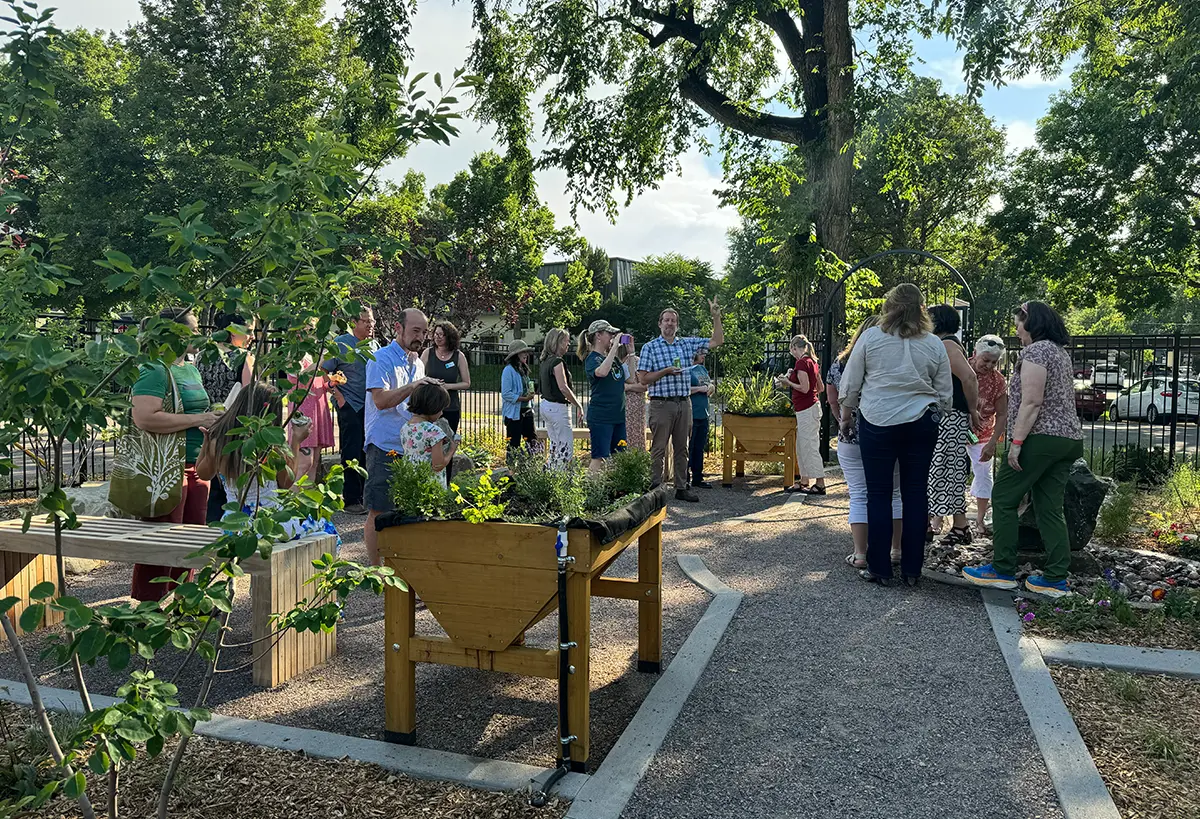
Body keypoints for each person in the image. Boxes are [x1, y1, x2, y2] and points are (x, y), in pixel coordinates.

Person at [963, 302, 1083, 598]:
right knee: (1049, 508)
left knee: (1003, 497)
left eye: (1019, 322)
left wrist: (1016, 444)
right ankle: (1056, 577)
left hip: (1039, 438)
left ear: (1032, 323)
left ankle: (1001, 570)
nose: (1016, 328)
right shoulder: (1059, 353)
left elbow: (1032, 401)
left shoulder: (1036, 352)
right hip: (1067, 439)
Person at [837, 284, 952, 586]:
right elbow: (944, 390)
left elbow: (851, 381)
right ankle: (912, 568)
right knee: (915, 492)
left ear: (889, 306)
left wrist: (847, 416)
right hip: (920, 421)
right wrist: (935, 412)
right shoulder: (933, 343)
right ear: (921, 308)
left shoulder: (871, 338)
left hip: (878, 420)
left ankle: (879, 568)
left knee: (879, 494)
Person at [129, 308, 222, 601]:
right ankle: (148, 606)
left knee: (192, 540)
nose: (199, 335)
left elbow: (193, 410)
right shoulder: (154, 369)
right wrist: (197, 420)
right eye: (193, 330)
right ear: (173, 333)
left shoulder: (190, 368)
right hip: (166, 468)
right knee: (161, 540)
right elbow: (144, 418)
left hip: (198, 464)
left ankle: (185, 599)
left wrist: (213, 417)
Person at [195, 381, 339, 545]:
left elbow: (203, 473)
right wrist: (296, 442)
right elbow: (286, 482)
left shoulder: (220, 441)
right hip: (266, 523)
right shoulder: (268, 446)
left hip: (232, 523)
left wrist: (207, 443)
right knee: (327, 531)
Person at [826, 316, 904, 569]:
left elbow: (832, 398)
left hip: (851, 437)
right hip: (888, 433)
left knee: (859, 495)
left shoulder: (840, 363)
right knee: (894, 493)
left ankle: (860, 554)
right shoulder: (891, 361)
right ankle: (895, 550)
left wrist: (842, 420)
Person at [364, 308, 437, 565]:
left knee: (407, 511)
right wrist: (413, 386)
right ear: (398, 328)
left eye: (424, 332)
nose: (421, 336)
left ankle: (400, 568)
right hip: (384, 444)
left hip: (412, 448)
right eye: (415, 330)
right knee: (379, 509)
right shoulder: (379, 358)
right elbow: (381, 400)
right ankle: (375, 571)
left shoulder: (417, 363)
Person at [637, 300, 724, 502]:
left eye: (673, 321)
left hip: (684, 402)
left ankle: (681, 486)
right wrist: (666, 371)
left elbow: (717, 341)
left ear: (677, 325)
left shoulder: (686, 344)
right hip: (661, 403)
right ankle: (656, 487)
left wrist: (716, 316)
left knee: (682, 447)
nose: (669, 324)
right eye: (666, 320)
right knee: (659, 447)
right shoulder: (651, 347)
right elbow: (643, 378)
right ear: (660, 324)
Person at [925, 305, 981, 545]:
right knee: (944, 468)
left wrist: (972, 410)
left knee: (941, 468)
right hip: (948, 416)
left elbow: (969, 377)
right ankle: (954, 524)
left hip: (950, 417)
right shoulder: (946, 343)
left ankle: (957, 526)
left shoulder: (947, 345)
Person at [197, 313, 254, 524]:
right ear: (232, 331)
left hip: (207, 424)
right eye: (248, 330)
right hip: (233, 427)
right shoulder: (243, 356)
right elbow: (249, 396)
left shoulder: (202, 355)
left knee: (211, 484)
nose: (252, 336)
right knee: (230, 486)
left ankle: (210, 530)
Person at [321, 306, 377, 515]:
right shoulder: (341, 343)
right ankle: (351, 499)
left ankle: (365, 496)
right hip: (350, 404)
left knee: (367, 450)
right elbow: (324, 371)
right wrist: (339, 397)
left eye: (372, 322)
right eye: (366, 321)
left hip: (370, 407)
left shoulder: (374, 344)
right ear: (355, 322)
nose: (371, 325)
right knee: (351, 450)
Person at [968, 335, 1009, 534]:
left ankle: (980, 518)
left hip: (983, 432)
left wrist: (993, 442)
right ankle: (938, 518)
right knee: (948, 470)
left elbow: (1002, 414)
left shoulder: (998, 381)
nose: (989, 365)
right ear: (975, 354)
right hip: (957, 429)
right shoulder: (962, 369)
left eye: (994, 362)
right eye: (986, 360)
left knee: (984, 473)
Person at [779, 334, 826, 495]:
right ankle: (804, 480)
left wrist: (788, 382)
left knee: (810, 446)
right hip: (810, 407)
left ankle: (820, 483)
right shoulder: (813, 362)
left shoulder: (801, 363)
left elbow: (804, 388)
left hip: (806, 409)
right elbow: (820, 388)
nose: (792, 353)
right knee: (802, 446)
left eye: (792, 349)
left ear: (794, 348)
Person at [579, 319, 626, 472]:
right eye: (610, 334)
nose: (613, 337)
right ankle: (591, 492)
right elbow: (601, 372)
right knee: (599, 457)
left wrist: (630, 353)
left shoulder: (614, 360)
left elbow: (631, 378)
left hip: (617, 416)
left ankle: (616, 491)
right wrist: (614, 349)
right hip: (601, 416)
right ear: (598, 335)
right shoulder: (592, 359)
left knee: (619, 457)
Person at [288, 348, 335, 484]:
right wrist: (320, 360)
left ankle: (307, 502)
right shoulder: (293, 354)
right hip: (304, 413)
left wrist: (331, 384)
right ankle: (293, 501)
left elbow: (317, 383)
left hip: (317, 412)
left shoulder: (310, 355)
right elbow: (300, 378)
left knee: (314, 464)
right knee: (303, 465)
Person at [539, 328, 583, 469]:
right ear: (557, 343)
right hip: (558, 407)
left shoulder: (545, 361)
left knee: (555, 445)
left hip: (546, 405)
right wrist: (578, 404)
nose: (568, 344)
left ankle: (552, 474)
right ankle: (562, 477)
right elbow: (563, 387)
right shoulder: (557, 362)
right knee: (565, 447)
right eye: (566, 341)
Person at [402, 382, 459, 489]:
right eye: (440, 409)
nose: (441, 413)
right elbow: (438, 465)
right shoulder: (434, 431)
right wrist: (452, 449)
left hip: (411, 482)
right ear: (433, 407)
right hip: (430, 485)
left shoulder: (406, 427)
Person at [421, 321, 471, 434]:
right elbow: (418, 377)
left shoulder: (459, 356)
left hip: (451, 406)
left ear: (449, 336)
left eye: (441, 334)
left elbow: (466, 383)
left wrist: (447, 386)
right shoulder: (427, 353)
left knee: (448, 440)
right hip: (430, 405)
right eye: (436, 334)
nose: (437, 337)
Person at [501, 340, 537, 460]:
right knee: (513, 444)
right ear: (516, 354)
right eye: (523, 352)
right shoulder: (508, 370)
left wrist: (530, 395)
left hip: (527, 411)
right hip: (514, 414)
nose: (526, 354)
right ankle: (511, 472)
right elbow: (506, 394)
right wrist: (523, 398)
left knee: (532, 441)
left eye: (526, 352)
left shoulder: (523, 369)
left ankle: (533, 467)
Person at [688, 347, 715, 488]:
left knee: (699, 447)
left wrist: (711, 387)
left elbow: (709, 384)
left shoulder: (702, 369)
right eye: (701, 353)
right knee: (689, 447)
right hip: (691, 413)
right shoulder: (687, 370)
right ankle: (685, 478)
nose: (704, 356)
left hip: (703, 413)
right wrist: (699, 389)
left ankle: (698, 477)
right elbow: (684, 389)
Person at [620, 338, 648, 452]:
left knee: (635, 436)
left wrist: (628, 387)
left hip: (635, 406)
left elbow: (645, 386)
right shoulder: (613, 362)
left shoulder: (636, 361)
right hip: (619, 406)